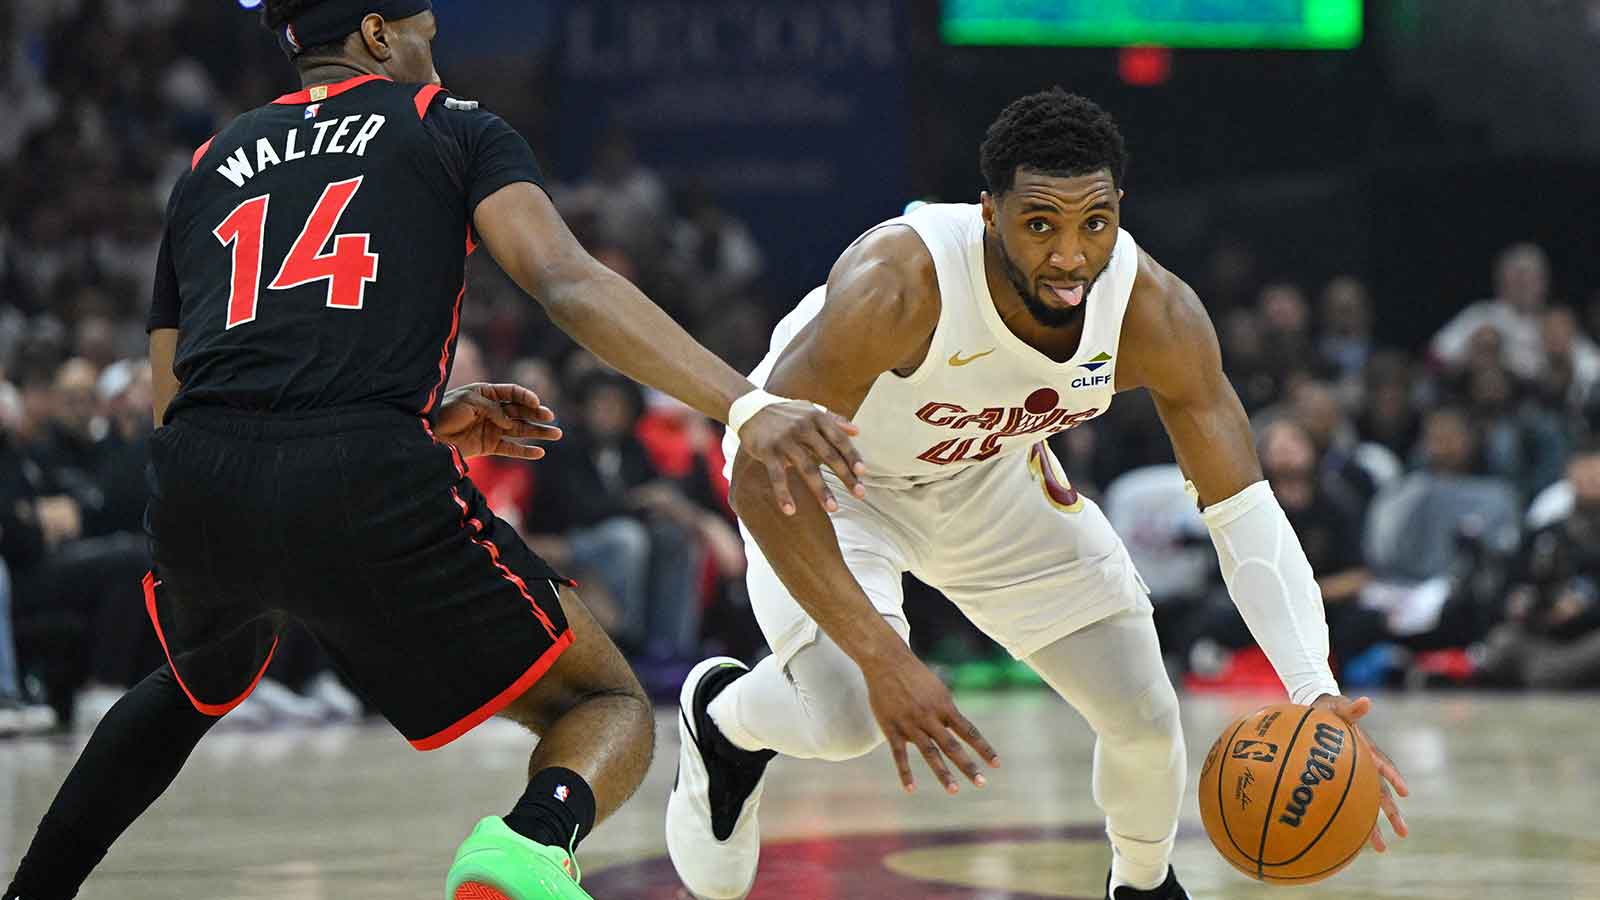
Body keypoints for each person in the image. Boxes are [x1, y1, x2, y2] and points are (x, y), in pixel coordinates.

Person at [3, 3, 866, 900]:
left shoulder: (209, 161)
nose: (434, 58)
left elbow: (174, 389)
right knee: (603, 703)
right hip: (360, 474)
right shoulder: (448, 125)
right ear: (378, 36)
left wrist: (412, 408)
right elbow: (564, 279)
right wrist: (744, 402)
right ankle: (528, 847)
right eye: (427, 38)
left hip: (201, 478)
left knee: (197, 676)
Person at [665, 89, 1409, 900]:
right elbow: (758, 474)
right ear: (990, 213)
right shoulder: (899, 285)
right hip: (825, 477)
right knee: (846, 717)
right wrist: (886, 657)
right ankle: (726, 723)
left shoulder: (1154, 313)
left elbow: (1241, 512)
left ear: (1120, 210)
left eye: (1094, 223)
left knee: (1142, 711)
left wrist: (1314, 689)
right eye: (1039, 225)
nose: (1068, 256)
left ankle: (1142, 886)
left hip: (982, 474)